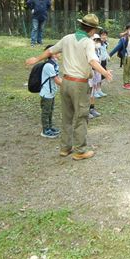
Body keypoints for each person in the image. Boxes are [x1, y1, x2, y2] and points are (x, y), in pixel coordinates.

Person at [25, 13, 112, 161]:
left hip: (65, 83)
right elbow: (92, 61)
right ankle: (80, 150)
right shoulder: (88, 42)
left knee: (67, 116)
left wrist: (36, 59)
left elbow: (50, 51)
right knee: (81, 116)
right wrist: (105, 73)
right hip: (79, 84)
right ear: (91, 30)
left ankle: (65, 148)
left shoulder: (67, 38)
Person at [109, 23, 130, 90]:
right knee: (126, 70)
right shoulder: (123, 39)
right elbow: (117, 47)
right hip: (126, 57)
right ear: (127, 30)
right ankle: (125, 83)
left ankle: (129, 82)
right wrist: (110, 54)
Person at [39, 45, 62, 138]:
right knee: (46, 112)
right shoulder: (49, 65)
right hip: (46, 93)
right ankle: (45, 130)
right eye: (58, 52)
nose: (60, 53)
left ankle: (50, 127)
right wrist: (68, 86)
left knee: (50, 110)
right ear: (53, 54)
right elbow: (56, 80)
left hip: (51, 92)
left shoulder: (54, 64)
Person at [88, 34, 103, 119]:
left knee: (93, 91)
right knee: (88, 92)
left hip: (96, 73)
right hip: (89, 73)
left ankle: (92, 108)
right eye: (94, 40)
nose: (96, 42)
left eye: (98, 41)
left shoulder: (98, 50)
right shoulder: (88, 51)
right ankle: (86, 110)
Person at [94, 30, 110, 98]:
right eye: (102, 35)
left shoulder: (106, 44)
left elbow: (105, 51)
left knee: (100, 77)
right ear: (99, 36)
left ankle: (99, 90)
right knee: (95, 77)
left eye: (105, 35)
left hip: (103, 62)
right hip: (96, 63)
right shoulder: (96, 44)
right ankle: (94, 91)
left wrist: (108, 56)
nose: (104, 36)